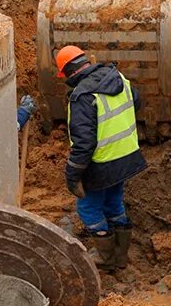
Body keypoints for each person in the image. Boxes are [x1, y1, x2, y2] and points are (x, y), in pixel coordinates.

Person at [56, 45, 147, 273]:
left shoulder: (82, 97)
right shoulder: (118, 77)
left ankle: (106, 255)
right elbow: (136, 102)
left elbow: (83, 144)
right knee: (113, 202)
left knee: (88, 207)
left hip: (103, 163)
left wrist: (73, 174)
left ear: (67, 73)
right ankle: (121, 256)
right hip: (127, 157)